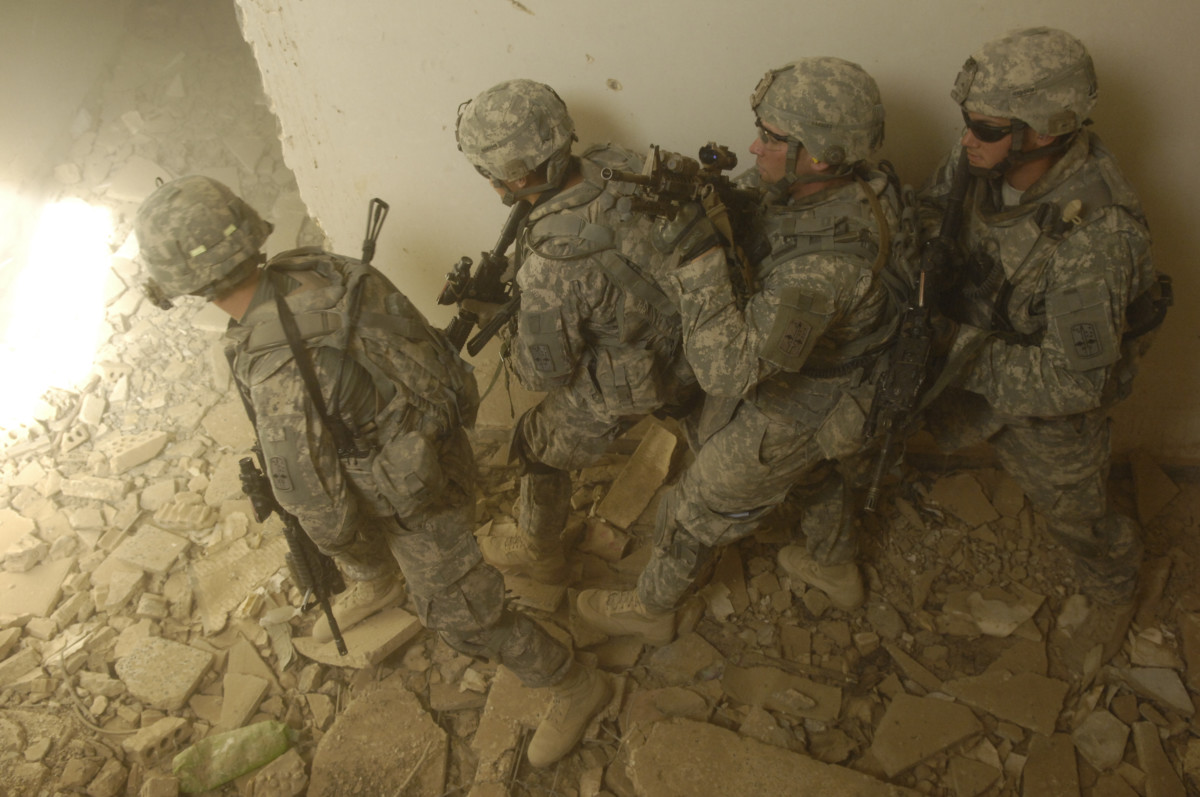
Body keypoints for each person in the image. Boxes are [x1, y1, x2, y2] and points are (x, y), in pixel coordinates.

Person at [133, 175, 609, 768]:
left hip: (414, 496)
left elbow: (318, 505)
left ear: (186, 284)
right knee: (370, 529)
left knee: (463, 620)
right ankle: (380, 580)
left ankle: (571, 682)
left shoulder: (277, 367)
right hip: (435, 443)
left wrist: (344, 548)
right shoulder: (318, 267)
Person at [575, 57, 908, 643]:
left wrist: (700, 257)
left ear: (823, 155)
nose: (754, 147)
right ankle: (834, 568)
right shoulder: (846, 185)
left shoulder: (824, 271)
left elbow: (726, 371)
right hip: (825, 376)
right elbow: (762, 208)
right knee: (813, 475)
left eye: (775, 140)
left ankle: (653, 612)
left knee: (698, 501)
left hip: (807, 401)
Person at [919, 28, 1168, 659]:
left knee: (1073, 514)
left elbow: (1074, 383)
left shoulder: (1097, 238)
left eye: (988, 127)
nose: (969, 137)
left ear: (1046, 131)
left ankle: (1114, 588)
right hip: (980, 341)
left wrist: (955, 346)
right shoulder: (982, 152)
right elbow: (935, 209)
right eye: (968, 121)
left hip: (1049, 400)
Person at [454, 80, 708, 585]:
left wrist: (500, 318)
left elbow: (543, 372)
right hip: (698, 328)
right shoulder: (617, 162)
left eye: (487, 171)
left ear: (515, 174)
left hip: (649, 369)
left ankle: (539, 552)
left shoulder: (554, 262)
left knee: (534, 445)